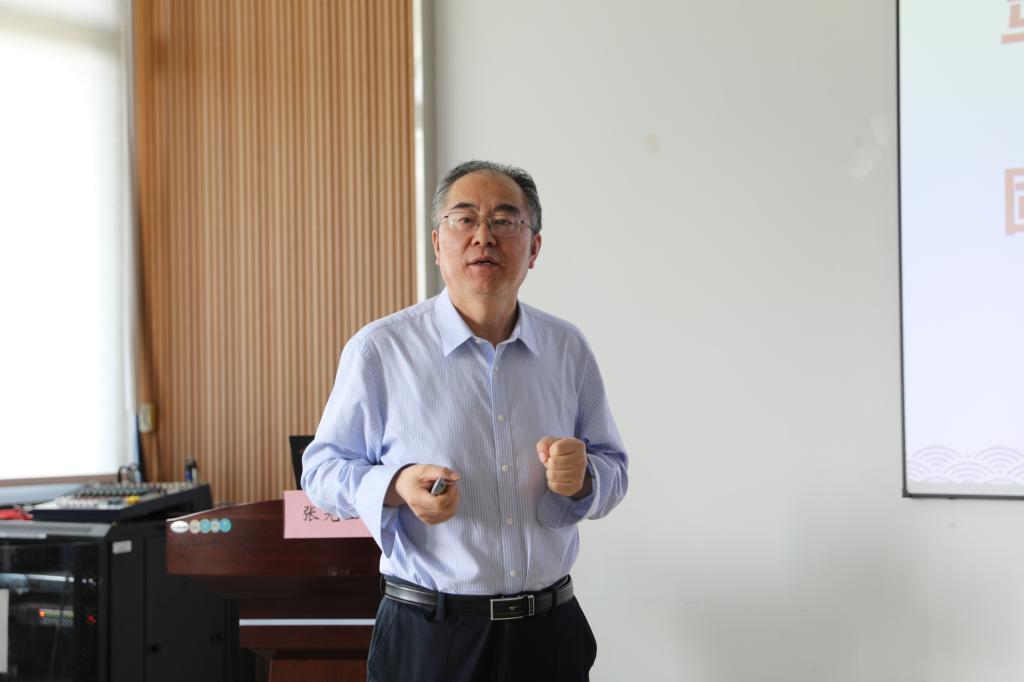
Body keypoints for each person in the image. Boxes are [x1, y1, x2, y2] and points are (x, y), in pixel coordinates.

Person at [301, 160, 628, 682]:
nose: (484, 236)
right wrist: (395, 486)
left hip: (547, 635)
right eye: (465, 219)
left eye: (505, 220)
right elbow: (320, 473)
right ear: (437, 244)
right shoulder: (380, 349)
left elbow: (615, 469)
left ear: (534, 248)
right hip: (430, 636)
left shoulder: (568, 349)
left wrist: (585, 477)